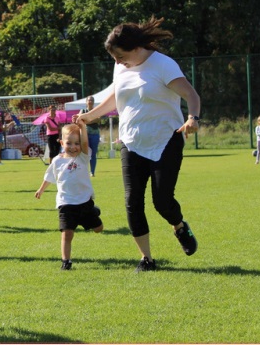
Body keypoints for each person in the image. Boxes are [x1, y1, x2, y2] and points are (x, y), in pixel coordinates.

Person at [74, 16, 200, 272]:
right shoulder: (121, 68)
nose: (117, 62)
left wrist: (192, 118)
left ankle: (179, 226)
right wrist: (91, 115)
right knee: (132, 201)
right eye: (115, 59)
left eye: (120, 56)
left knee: (162, 202)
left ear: (135, 48)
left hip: (166, 140)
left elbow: (191, 94)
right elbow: (117, 97)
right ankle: (147, 259)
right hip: (131, 142)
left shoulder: (163, 65)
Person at [34, 121, 104, 270]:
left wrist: (82, 127)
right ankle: (66, 262)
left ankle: (94, 211)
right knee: (67, 233)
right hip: (65, 203)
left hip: (85, 202)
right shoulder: (57, 161)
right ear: (61, 142)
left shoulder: (83, 157)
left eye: (76, 143)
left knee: (99, 228)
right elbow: (49, 177)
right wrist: (41, 190)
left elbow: (85, 142)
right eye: (69, 143)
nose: (73, 147)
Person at [81, 96, 102, 176]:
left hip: (95, 135)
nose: (90, 101)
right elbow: (81, 120)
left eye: (92, 100)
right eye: (89, 100)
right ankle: (84, 171)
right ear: (86, 102)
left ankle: (92, 172)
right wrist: (92, 119)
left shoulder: (96, 110)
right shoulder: (83, 111)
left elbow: (99, 119)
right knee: (85, 153)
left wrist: (87, 120)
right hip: (85, 135)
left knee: (93, 154)